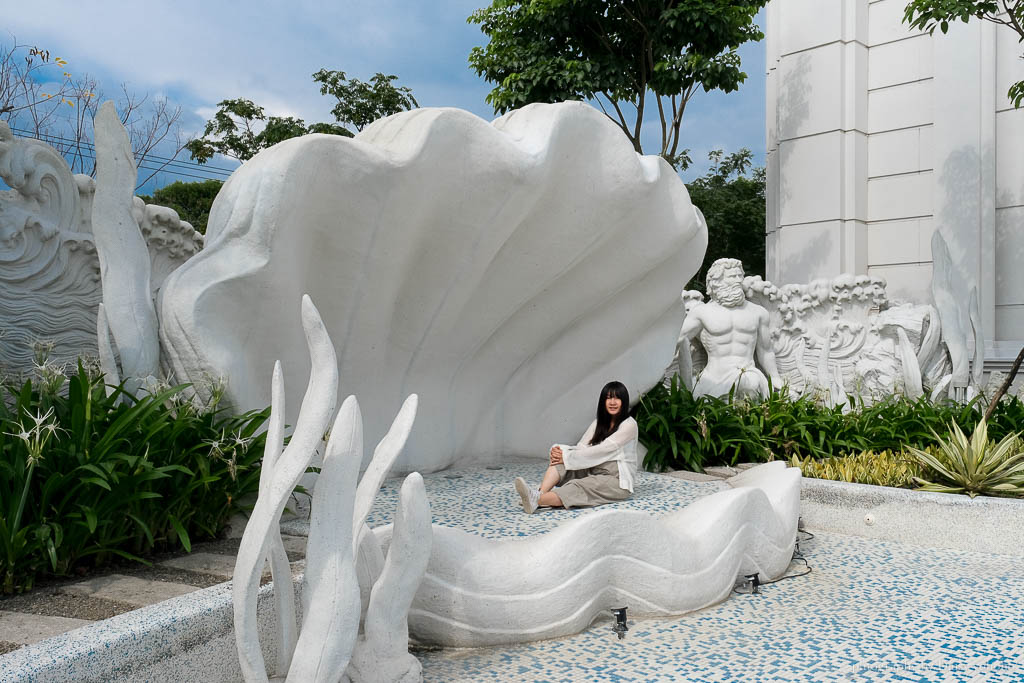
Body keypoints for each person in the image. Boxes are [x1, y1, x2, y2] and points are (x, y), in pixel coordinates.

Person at [514, 381, 638, 514]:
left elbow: (603, 449)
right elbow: (582, 446)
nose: (612, 402)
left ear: (624, 401)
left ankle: (537, 500)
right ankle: (539, 495)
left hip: (616, 481)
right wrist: (561, 452)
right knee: (560, 462)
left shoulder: (629, 425)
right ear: (603, 401)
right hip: (594, 468)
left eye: (617, 398)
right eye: (608, 398)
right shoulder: (599, 423)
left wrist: (567, 457)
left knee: (577, 487)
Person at [678, 258, 782, 400]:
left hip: (748, 374)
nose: (738, 280)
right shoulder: (702, 312)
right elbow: (678, 340)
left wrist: (775, 377)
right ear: (717, 281)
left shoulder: (758, 312)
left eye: (740, 276)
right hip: (713, 377)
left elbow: (765, 350)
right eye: (733, 276)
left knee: (749, 383)